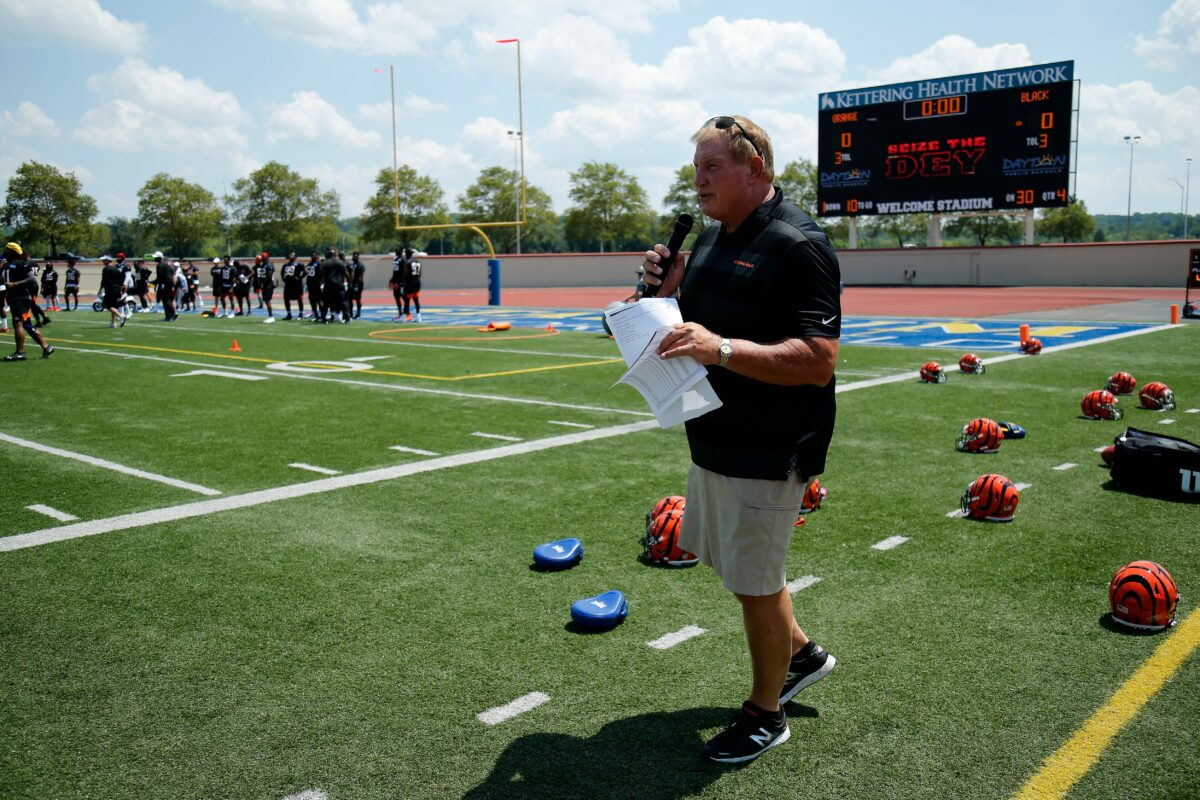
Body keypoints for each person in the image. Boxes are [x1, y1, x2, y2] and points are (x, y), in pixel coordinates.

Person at [641, 115, 841, 764]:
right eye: (695, 167)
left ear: (756, 171)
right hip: (716, 427)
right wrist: (662, 291)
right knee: (735, 564)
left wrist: (720, 349)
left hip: (773, 438)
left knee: (757, 578)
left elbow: (818, 358)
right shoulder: (709, 237)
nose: (697, 180)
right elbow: (686, 323)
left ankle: (765, 712)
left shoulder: (798, 244)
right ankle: (804, 654)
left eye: (711, 167)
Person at [2, 243, 54, 360]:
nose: (4, 251)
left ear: (12, 251)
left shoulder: (21, 264)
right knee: (27, 324)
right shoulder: (5, 266)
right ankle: (46, 347)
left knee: (17, 323)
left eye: (7, 249)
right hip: (13, 298)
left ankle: (20, 353)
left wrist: (15, 284)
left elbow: (31, 279)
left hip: (21, 297)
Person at [319, 248, 349, 323]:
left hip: (329, 284)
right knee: (343, 302)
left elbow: (321, 275)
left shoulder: (325, 263)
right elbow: (346, 274)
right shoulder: (340, 262)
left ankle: (323, 318)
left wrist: (321, 283)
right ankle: (347, 317)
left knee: (326, 302)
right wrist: (349, 282)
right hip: (339, 284)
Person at [99, 254, 126, 327]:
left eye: (104, 260)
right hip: (117, 289)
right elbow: (121, 280)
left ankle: (121, 316)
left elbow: (103, 280)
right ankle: (113, 323)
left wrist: (100, 289)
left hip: (110, 288)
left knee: (106, 305)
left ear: (108, 261)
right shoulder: (116, 269)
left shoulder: (106, 269)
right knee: (113, 306)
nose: (103, 262)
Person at [153, 251, 177, 321]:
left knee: (165, 300)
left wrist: (153, 282)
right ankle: (172, 315)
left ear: (159, 258)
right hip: (169, 283)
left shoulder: (160, 265)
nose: (154, 259)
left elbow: (160, 277)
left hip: (164, 284)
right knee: (168, 299)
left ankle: (169, 317)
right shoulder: (166, 264)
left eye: (156, 257)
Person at [280, 251, 304, 320]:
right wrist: (283, 278)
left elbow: (306, 271)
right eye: (290, 254)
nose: (291, 256)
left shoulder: (299, 264)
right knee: (286, 299)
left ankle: (301, 313)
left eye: (292, 255)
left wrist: (300, 277)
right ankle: (289, 314)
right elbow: (282, 272)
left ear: (295, 256)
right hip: (288, 285)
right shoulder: (286, 265)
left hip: (297, 285)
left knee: (299, 299)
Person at [402, 247, 423, 322]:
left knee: (407, 300)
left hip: (410, 283)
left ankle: (405, 317)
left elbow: (405, 274)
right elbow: (420, 273)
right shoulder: (418, 262)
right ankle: (418, 316)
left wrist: (403, 283)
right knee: (416, 300)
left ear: (407, 254)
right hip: (417, 282)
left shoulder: (407, 262)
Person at [256, 253, 276, 322]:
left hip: (268, 285)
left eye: (263, 256)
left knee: (268, 301)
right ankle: (270, 316)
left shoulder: (269, 264)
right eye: (262, 256)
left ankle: (271, 317)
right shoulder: (263, 265)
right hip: (265, 285)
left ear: (267, 257)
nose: (262, 257)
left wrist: (263, 283)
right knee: (266, 301)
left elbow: (269, 276)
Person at [303, 251, 322, 320]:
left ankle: (321, 314)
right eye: (312, 255)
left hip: (317, 284)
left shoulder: (319, 264)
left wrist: (321, 283)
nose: (313, 256)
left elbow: (322, 274)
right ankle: (316, 315)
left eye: (315, 255)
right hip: (310, 284)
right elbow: (306, 273)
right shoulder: (309, 264)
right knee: (312, 300)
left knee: (319, 300)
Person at [390, 247, 407, 321]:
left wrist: (401, 282)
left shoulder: (402, 260)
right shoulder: (396, 259)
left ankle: (406, 312)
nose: (396, 251)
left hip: (400, 282)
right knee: (397, 297)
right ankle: (401, 313)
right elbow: (395, 272)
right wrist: (392, 280)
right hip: (397, 281)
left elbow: (404, 272)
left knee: (403, 297)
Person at [347, 251, 366, 319]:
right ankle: (351, 313)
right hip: (352, 284)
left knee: (358, 299)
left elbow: (361, 276)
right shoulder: (352, 264)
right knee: (349, 299)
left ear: (358, 257)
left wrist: (358, 284)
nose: (354, 257)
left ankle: (358, 313)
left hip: (357, 284)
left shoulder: (360, 265)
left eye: (356, 255)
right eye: (354, 255)